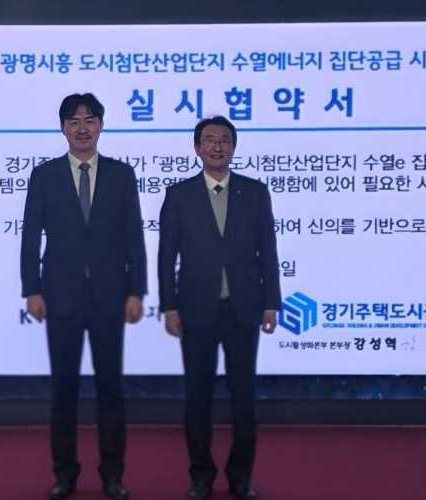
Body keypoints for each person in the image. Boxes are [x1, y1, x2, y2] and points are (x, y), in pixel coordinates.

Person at [20, 92, 147, 500]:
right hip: (61, 296)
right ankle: (65, 474)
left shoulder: (121, 175)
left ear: (101, 126)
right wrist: (32, 289)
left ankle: (113, 475)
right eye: (74, 121)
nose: (82, 128)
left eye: (90, 120)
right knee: (64, 392)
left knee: (111, 390)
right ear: (62, 128)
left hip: (110, 296)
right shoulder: (45, 176)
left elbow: (134, 237)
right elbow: (30, 237)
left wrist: (136, 290)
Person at [158, 116, 281, 500]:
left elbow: (268, 251)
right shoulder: (179, 195)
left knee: (244, 400)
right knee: (198, 397)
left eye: (224, 140)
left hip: (244, 309)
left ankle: (241, 477)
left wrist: (271, 303)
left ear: (233, 147)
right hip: (195, 310)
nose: (217, 146)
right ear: (197, 148)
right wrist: (169, 307)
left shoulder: (255, 192)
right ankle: (201, 477)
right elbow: (166, 257)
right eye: (209, 140)